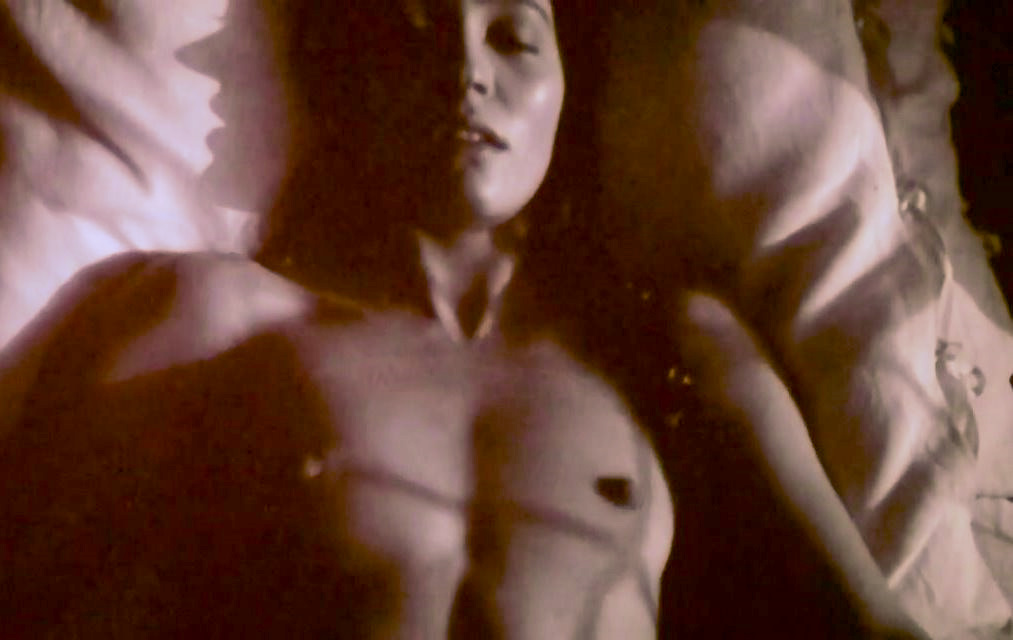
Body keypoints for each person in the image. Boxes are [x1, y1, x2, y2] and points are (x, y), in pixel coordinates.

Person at [0, 1, 928, 637]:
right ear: (349, 73)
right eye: (414, 31)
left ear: (572, 81)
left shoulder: (667, 348)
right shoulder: (213, 317)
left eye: (513, 37)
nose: (465, 71)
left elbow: (864, 622)